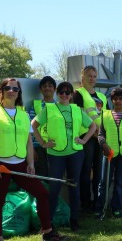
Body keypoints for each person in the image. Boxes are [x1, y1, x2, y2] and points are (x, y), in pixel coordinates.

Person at [0, 78, 65, 241]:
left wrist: (30, 164)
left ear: (19, 92)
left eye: (15, 88)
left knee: (42, 193)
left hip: (20, 164)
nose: (11, 91)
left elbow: (28, 142)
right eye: (7, 88)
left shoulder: (22, 114)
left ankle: (47, 233)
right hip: (0, 164)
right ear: (2, 91)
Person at [31, 82, 96, 231]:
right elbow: (33, 124)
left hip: (75, 153)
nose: (64, 95)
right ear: (57, 93)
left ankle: (74, 220)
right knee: (54, 188)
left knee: (74, 186)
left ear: (71, 95)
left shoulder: (77, 110)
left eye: (67, 92)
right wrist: (42, 143)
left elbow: (92, 126)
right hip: (56, 154)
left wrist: (84, 140)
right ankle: (49, 223)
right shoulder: (49, 109)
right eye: (61, 92)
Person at [95, 88, 122, 218]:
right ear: (112, 100)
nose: (118, 101)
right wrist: (103, 144)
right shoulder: (105, 114)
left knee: (119, 183)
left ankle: (116, 208)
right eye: (115, 99)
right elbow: (100, 134)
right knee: (103, 182)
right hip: (109, 155)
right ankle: (100, 208)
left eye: (121, 99)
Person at [72, 65, 108, 212]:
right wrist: (94, 134)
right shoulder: (78, 93)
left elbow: (105, 117)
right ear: (83, 78)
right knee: (85, 171)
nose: (92, 79)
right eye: (89, 76)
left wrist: (102, 136)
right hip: (86, 138)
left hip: (100, 138)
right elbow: (79, 116)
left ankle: (98, 203)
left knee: (99, 172)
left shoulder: (102, 97)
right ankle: (85, 203)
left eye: (94, 76)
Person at [27, 76, 56, 177]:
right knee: (41, 177)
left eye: (50, 86)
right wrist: (33, 149)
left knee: (54, 176)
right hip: (39, 148)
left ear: (54, 89)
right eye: (44, 86)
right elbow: (29, 129)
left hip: (55, 147)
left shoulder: (59, 106)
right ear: (41, 89)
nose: (47, 88)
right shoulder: (35, 105)